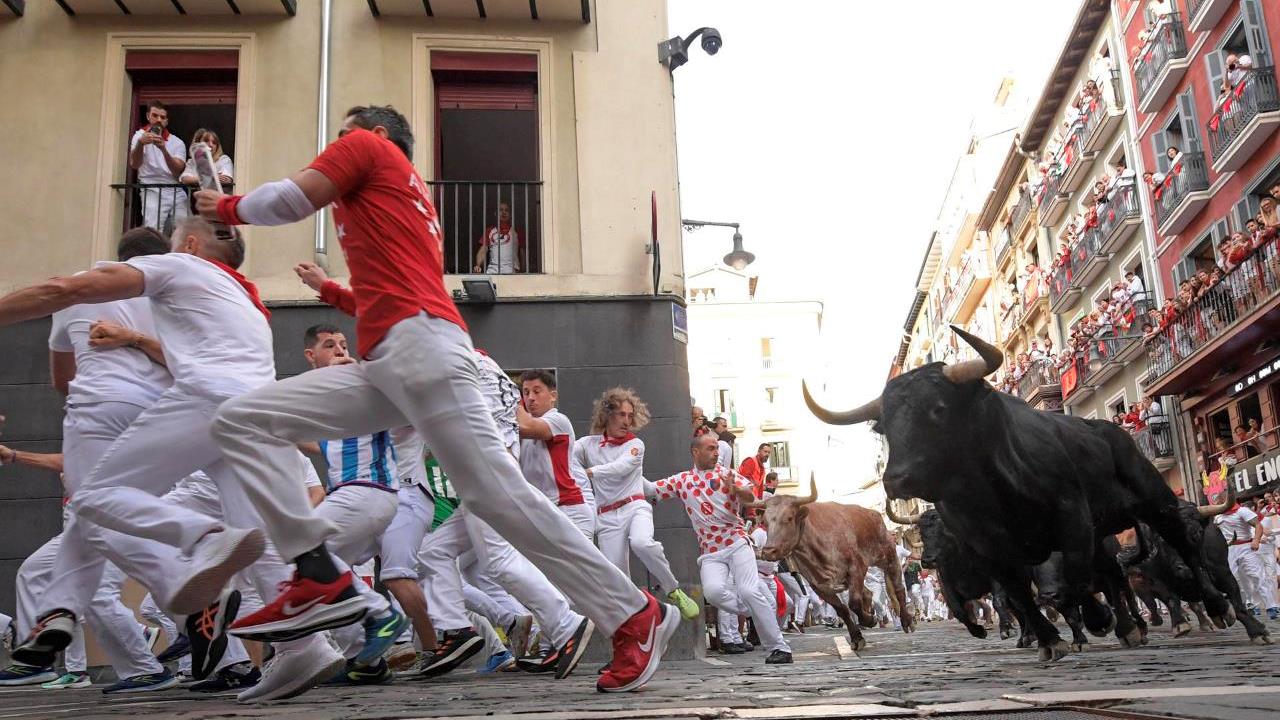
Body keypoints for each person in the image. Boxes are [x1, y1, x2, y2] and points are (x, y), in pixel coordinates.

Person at [194, 104, 677, 693]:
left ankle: (633, 614)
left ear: (373, 135)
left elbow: (290, 200)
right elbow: (391, 294)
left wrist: (223, 207)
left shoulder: (369, 149)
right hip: (393, 362)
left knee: (497, 498)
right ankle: (317, 571)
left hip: (421, 355)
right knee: (240, 420)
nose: (334, 144)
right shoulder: (399, 195)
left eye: (341, 134)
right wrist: (333, 292)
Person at [0, 218, 348, 703]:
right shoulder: (236, 295)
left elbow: (61, 303)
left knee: (96, 498)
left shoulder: (170, 271)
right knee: (255, 529)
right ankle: (305, 644)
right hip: (245, 409)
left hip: (184, 404)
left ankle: (188, 560)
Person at [294, 324, 409, 683]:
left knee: (308, 553)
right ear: (311, 356)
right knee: (322, 576)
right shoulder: (322, 397)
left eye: (344, 344)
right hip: (358, 497)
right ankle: (365, 661)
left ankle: (382, 616)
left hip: (368, 491)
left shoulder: (364, 381)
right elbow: (322, 444)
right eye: (331, 346)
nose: (341, 350)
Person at [645, 434, 792, 665]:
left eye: (717, 448)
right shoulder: (683, 480)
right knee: (713, 592)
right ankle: (756, 608)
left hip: (736, 543)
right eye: (711, 448)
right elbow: (652, 489)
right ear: (695, 452)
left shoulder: (727, 474)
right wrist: (625, 470)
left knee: (749, 590)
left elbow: (749, 496)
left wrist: (735, 489)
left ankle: (779, 647)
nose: (716, 453)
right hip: (710, 552)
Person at [571, 388, 699, 621]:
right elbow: (567, 456)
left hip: (635, 507)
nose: (627, 421)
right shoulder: (587, 445)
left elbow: (620, 468)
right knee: (616, 578)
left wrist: (587, 472)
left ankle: (673, 590)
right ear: (607, 415)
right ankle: (642, 618)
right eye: (621, 414)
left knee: (642, 542)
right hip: (606, 517)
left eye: (631, 415)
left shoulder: (636, 445)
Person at [518, 370, 595, 539]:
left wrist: (507, 398)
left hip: (570, 512)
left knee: (582, 567)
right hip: (543, 515)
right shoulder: (521, 433)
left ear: (553, 396)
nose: (530, 397)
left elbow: (527, 426)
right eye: (525, 392)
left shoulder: (558, 420)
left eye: (537, 391)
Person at [1213, 491, 1279, 619]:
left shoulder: (1242, 511)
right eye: (1217, 500)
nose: (1217, 502)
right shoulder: (1218, 517)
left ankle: (1272, 607)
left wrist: (1255, 540)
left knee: (1257, 576)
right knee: (1237, 579)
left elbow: (1258, 525)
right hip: (1229, 549)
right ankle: (1250, 605)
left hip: (1246, 547)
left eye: (1220, 499)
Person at [128, 100, 188, 233]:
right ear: (148, 116)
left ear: (167, 121)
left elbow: (177, 171)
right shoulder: (139, 136)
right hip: (151, 188)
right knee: (153, 230)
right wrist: (140, 144)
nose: (159, 120)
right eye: (155, 116)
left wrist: (163, 149)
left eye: (163, 117)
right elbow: (135, 164)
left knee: (184, 230)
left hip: (175, 189)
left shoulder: (177, 142)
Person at [473, 201, 522, 274]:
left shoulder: (517, 231)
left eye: (506, 210)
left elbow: (522, 252)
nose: (504, 212)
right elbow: (483, 250)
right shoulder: (489, 231)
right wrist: (478, 265)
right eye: (501, 210)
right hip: (492, 271)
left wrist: (524, 272)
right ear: (496, 213)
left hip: (512, 272)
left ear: (510, 215)